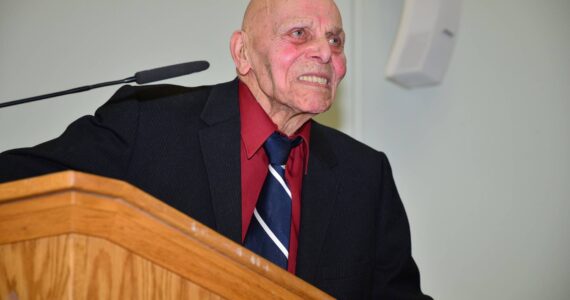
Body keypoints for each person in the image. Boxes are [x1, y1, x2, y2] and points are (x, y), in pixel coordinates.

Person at [0, 0, 431, 298]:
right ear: (242, 53)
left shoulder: (364, 175)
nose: (323, 52)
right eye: (299, 34)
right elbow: (20, 184)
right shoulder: (147, 123)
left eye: (336, 41)